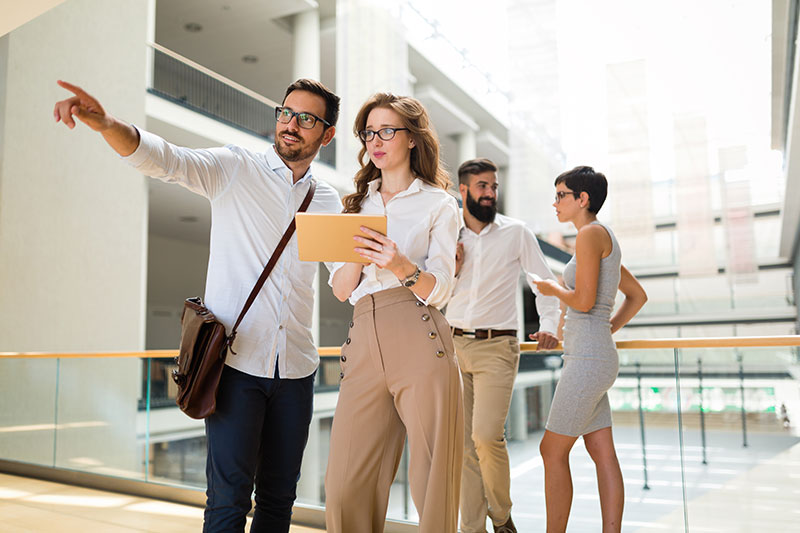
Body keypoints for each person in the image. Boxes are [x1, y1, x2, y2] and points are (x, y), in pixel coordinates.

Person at [53, 79, 343, 532]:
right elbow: (166, 159)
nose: (291, 124)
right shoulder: (236, 168)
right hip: (236, 366)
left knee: (279, 499)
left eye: (307, 118)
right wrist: (108, 124)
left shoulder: (328, 201)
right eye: (285, 112)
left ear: (326, 135)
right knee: (228, 500)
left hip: (297, 373)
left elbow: (346, 278)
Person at [324, 93, 463, 533]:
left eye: (387, 130)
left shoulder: (439, 205)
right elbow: (343, 290)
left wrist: (400, 265)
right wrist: (358, 253)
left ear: (413, 139)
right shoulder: (354, 204)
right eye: (369, 133)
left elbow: (440, 290)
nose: (376, 141)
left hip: (419, 331)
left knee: (432, 479)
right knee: (345, 484)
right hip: (363, 335)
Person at [446, 157, 561, 533]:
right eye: (482, 186)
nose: (490, 193)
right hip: (452, 345)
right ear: (463, 190)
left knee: (485, 436)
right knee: (462, 446)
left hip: (498, 347)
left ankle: (502, 519)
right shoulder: (448, 234)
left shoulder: (516, 232)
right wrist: (453, 267)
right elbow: (431, 287)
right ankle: (472, 528)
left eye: (494, 187)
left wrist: (549, 327)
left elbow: (543, 282)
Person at [531, 166, 647, 533]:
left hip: (588, 360)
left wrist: (551, 290)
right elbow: (637, 296)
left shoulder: (590, 234)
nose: (555, 203)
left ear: (583, 199)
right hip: (592, 355)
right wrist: (604, 330)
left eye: (561, 195)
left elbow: (581, 302)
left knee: (551, 450)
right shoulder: (601, 237)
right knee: (601, 452)